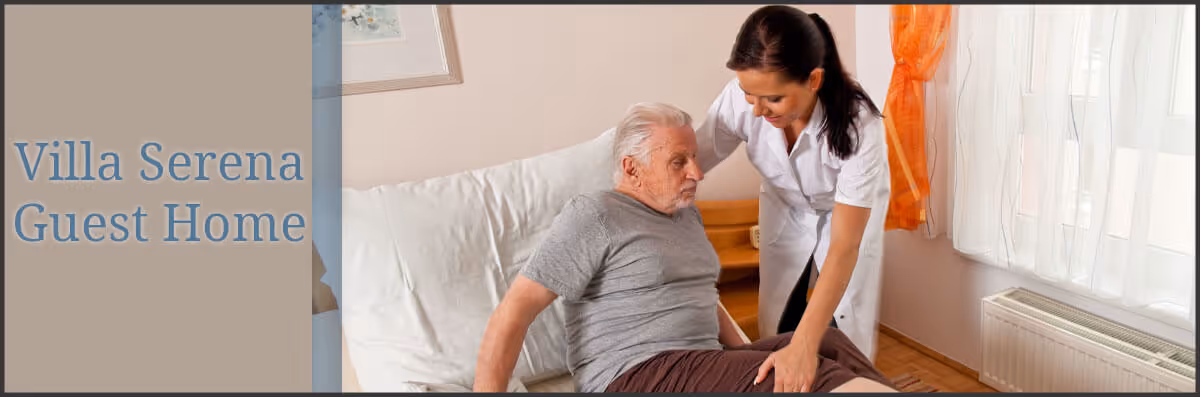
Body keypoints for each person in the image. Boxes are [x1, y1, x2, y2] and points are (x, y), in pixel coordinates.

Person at [473, 103, 896, 393]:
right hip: (635, 375)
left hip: (697, 364)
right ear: (631, 168)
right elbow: (513, 314)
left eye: (694, 157)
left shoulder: (686, 216)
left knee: (826, 343)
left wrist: (748, 355)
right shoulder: (595, 215)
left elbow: (703, 298)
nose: (697, 172)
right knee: (810, 377)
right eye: (679, 161)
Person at [693, 5, 891, 393]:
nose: (755, 108)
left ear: (814, 79)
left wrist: (805, 345)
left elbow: (844, 246)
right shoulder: (744, 99)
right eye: (748, 93)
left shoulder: (860, 124)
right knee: (781, 320)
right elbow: (692, 162)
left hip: (845, 215)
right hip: (785, 208)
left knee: (840, 324)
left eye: (772, 99)